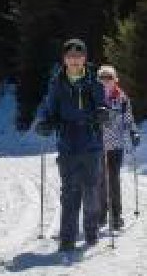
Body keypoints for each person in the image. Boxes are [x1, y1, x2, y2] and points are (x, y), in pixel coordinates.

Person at [34, 38, 109, 252]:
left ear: (85, 59)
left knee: (91, 189)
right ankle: (67, 237)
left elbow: (102, 104)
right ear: (64, 60)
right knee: (69, 190)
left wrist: (103, 113)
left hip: (91, 141)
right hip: (67, 141)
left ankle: (91, 230)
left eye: (78, 57)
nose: (75, 61)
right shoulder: (57, 83)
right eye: (70, 57)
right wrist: (43, 123)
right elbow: (48, 109)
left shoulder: (94, 81)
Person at [96, 65, 140, 230]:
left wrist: (134, 132)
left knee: (113, 179)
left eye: (109, 78)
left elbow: (128, 118)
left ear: (115, 80)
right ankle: (101, 213)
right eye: (103, 78)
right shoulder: (94, 97)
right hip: (98, 144)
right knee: (100, 179)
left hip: (116, 145)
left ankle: (116, 215)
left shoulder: (121, 98)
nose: (106, 81)